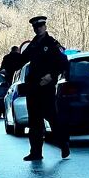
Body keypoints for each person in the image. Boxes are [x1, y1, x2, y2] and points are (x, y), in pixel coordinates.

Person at [17, 15, 70, 161]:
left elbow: (63, 63)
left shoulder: (52, 44)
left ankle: (63, 144)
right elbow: (21, 60)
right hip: (33, 88)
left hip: (46, 88)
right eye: (35, 27)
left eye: (40, 26)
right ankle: (36, 152)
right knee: (34, 122)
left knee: (52, 118)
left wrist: (52, 76)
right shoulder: (33, 45)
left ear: (45, 27)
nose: (38, 29)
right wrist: (6, 68)